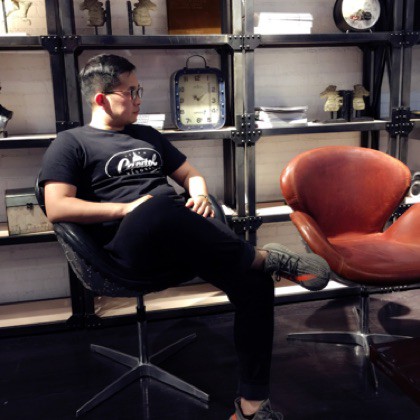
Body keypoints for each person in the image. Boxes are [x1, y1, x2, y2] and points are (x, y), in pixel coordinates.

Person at [39, 54, 331, 420]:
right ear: (101, 98)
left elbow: (191, 175)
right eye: (131, 92)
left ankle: (251, 406)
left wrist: (199, 195)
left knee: (255, 285)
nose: (139, 99)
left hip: (179, 235)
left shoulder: (148, 135)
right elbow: (57, 207)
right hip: (127, 249)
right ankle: (261, 256)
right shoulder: (71, 143)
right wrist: (127, 209)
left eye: (139, 90)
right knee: (158, 206)